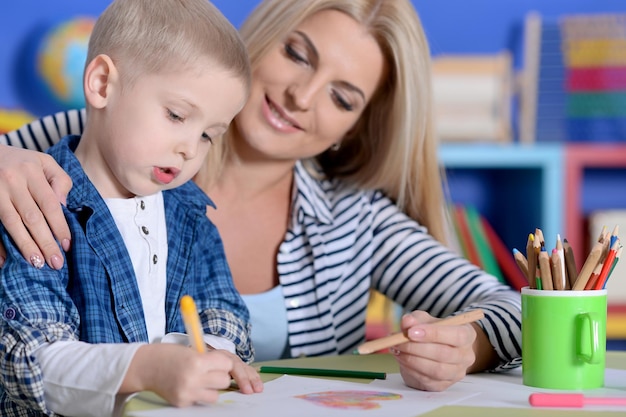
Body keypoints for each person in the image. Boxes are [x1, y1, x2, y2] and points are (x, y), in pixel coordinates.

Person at [0, 0, 522, 393]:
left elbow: (518, 311)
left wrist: (465, 348)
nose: (301, 96)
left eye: (342, 97)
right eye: (297, 54)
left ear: (353, 128)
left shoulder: (357, 221)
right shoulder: (85, 137)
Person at [0, 0, 264, 416]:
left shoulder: (191, 215)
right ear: (103, 84)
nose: (189, 149)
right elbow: (29, 359)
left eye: (210, 135)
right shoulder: (36, 207)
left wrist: (212, 352)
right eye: (176, 115)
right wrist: (144, 368)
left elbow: (221, 307)